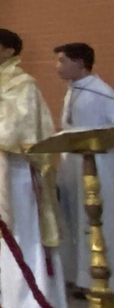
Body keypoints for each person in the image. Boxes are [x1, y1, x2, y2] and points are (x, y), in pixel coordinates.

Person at [0, 28, 67, 308]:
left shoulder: (23, 84)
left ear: (10, 51)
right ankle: (11, 305)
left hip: (17, 174)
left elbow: (10, 128)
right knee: (3, 246)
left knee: (24, 242)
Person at [53, 42, 114, 293]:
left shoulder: (102, 94)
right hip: (72, 166)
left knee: (94, 221)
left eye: (62, 60)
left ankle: (99, 280)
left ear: (79, 63)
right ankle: (79, 276)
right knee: (72, 219)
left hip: (97, 166)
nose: (56, 66)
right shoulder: (73, 90)